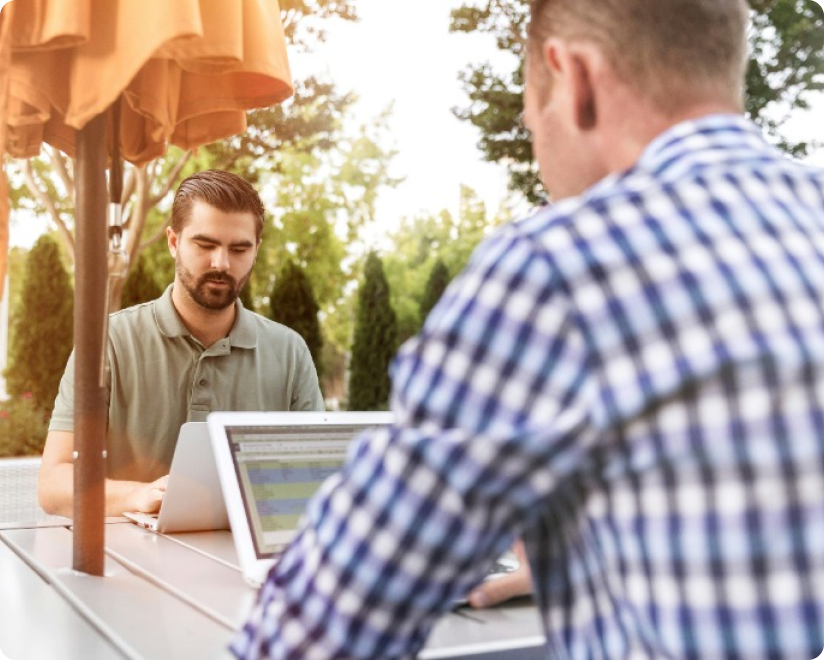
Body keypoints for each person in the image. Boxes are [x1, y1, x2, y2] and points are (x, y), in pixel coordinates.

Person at [234, 0, 824, 657]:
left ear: (573, 77)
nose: (537, 150)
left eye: (530, 118)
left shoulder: (562, 263)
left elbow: (324, 626)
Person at [38, 170, 324, 518]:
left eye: (239, 249)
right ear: (173, 242)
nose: (222, 263)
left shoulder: (290, 352)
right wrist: (138, 496)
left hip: (245, 547)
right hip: (132, 548)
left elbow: (317, 477)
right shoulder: (107, 342)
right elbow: (53, 484)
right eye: (205, 245)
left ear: (256, 250)